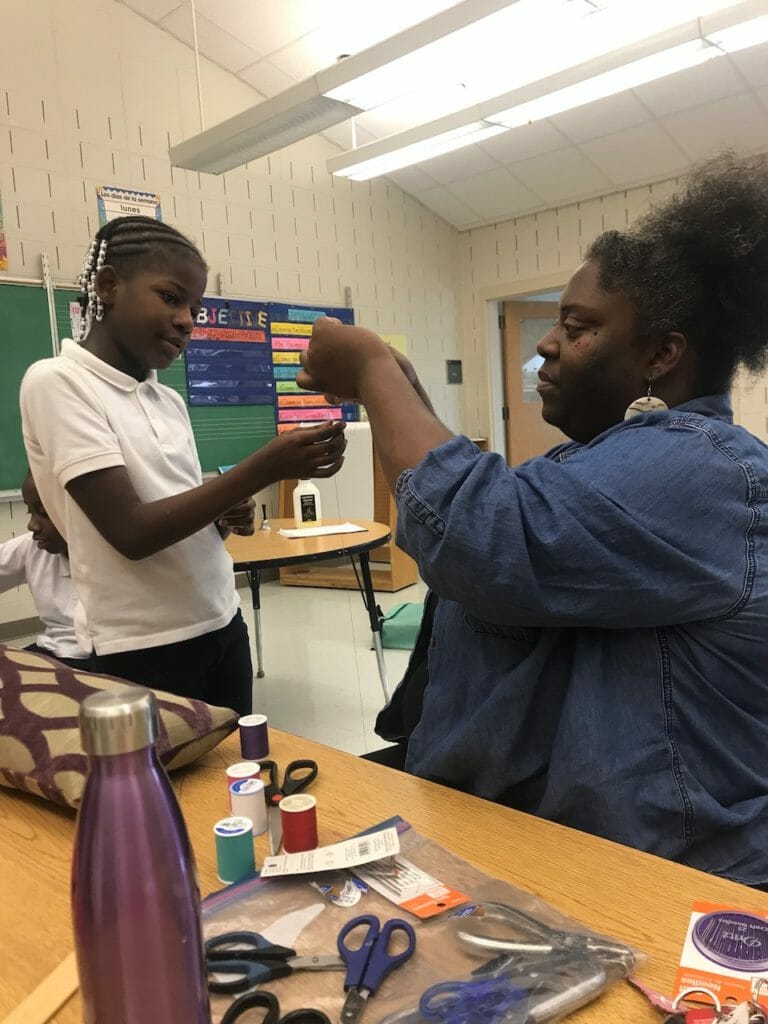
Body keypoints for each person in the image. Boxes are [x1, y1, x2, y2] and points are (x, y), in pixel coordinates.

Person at [296, 152, 768, 888]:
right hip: (552, 844)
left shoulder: (701, 468)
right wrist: (406, 392)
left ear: (661, 355)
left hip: (667, 876)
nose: (547, 344)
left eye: (577, 328)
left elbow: (481, 537)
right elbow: (480, 530)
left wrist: (372, 374)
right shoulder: (605, 460)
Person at [20, 215, 346, 716]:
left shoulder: (167, 400)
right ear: (108, 286)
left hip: (220, 620)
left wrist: (225, 516)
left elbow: (176, 512)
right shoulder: (58, 381)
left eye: (194, 307)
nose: (188, 320)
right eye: (171, 298)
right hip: (143, 648)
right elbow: (131, 532)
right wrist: (263, 469)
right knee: (166, 792)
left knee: (238, 778)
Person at [0, 471, 90, 669]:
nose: (32, 525)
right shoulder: (31, 549)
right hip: (53, 651)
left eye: (44, 512)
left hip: (103, 660)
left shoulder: (117, 557)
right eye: (29, 511)